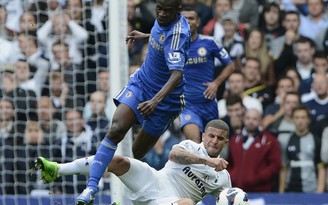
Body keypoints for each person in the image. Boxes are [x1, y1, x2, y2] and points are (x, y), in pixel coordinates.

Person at [74, 0, 190, 203]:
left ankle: (127, 200)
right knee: (116, 128)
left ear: (178, 11)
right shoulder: (165, 18)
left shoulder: (178, 34)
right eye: (159, 9)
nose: (162, 14)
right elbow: (160, 36)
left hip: (165, 101)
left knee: (134, 156)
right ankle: (91, 187)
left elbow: (177, 75)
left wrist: (154, 101)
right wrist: (145, 36)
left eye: (167, 11)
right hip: (142, 82)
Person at [34, 119, 231, 204]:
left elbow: (226, 200)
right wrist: (206, 161)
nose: (214, 141)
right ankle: (57, 169)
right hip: (154, 180)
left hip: (168, 201)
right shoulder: (190, 146)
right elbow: (174, 155)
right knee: (118, 160)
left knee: (187, 203)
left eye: (219, 138)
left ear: (225, 142)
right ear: (204, 136)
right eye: (211, 136)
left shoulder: (223, 178)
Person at [180, 7, 234, 142]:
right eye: (184, 19)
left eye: (191, 18)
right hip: (187, 105)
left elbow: (230, 65)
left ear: (198, 22)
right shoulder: (173, 47)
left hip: (208, 104)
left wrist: (216, 83)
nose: (188, 22)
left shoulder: (210, 42)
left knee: (211, 148)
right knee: (194, 143)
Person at [227, 109, 281, 192]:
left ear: (260, 120)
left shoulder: (270, 141)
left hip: (260, 190)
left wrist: (258, 178)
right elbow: (228, 162)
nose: (251, 121)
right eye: (248, 118)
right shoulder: (234, 140)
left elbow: (275, 165)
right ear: (243, 119)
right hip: (235, 190)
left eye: (254, 119)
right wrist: (231, 176)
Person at [279, 105, 325, 193]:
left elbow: (321, 167)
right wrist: (281, 192)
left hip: (311, 190)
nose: (300, 121)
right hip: (291, 190)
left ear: (308, 120)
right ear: (292, 120)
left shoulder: (316, 140)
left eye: (303, 117)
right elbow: (284, 168)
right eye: (297, 117)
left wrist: (320, 192)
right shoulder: (286, 140)